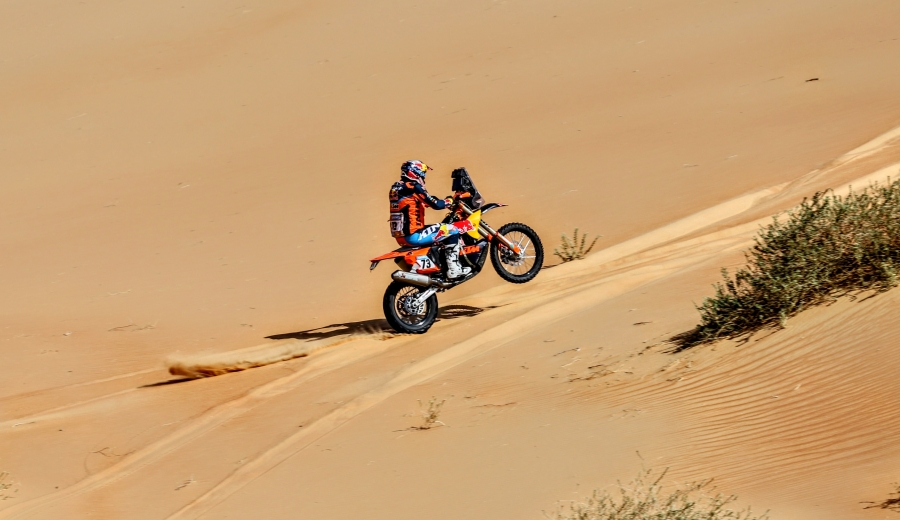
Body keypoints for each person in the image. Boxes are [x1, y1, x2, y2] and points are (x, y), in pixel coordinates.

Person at [389, 160, 472, 279]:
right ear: (415, 172)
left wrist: (437, 201)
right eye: (422, 173)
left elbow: (414, 203)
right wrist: (450, 201)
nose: (423, 176)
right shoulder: (413, 186)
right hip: (413, 236)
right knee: (453, 229)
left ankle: (439, 266)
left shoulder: (397, 188)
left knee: (441, 229)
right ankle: (454, 270)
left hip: (401, 236)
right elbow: (436, 205)